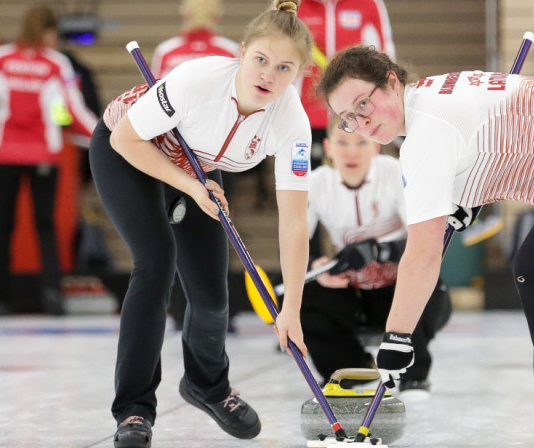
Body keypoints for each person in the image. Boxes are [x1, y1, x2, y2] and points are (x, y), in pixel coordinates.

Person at [316, 46, 534, 448]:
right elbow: (489, 143)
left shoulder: (425, 131)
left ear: (391, 82)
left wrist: (397, 337)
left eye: (364, 103)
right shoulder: (431, 95)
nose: (361, 121)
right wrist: (465, 197)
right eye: (348, 118)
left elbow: (423, 253)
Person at [88, 1, 313, 447]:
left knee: (211, 297)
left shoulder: (292, 123)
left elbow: (294, 220)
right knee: (156, 262)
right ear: (242, 52)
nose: (268, 74)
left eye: (284, 67)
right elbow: (125, 138)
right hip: (130, 150)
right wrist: (191, 186)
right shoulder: (199, 79)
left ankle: (206, 386)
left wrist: (292, 309)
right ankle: (134, 410)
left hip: (198, 169)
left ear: (299, 75)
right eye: (261, 60)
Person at [301, 115, 451, 398]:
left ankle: (413, 376)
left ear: (376, 147)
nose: (351, 151)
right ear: (328, 147)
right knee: (301, 294)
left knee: (416, 284)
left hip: (398, 283)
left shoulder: (395, 172)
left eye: (361, 141)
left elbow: (425, 240)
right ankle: (353, 371)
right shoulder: (316, 182)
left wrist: (379, 251)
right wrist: (315, 266)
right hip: (353, 290)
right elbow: (297, 240)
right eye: (342, 142)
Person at [0, 5, 98, 316]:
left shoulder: (1, 58)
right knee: (46, 227)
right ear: (48, 32)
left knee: (3, 226)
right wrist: (107, 137)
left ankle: (0, 300)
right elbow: (75, 112)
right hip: (44, 157)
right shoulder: (57, 64)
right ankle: (52, 296)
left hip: (5, 155)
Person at [150, 0, 242, 333]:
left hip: (174, 155)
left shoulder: (167, 51)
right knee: (218, 229)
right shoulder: (229, 49)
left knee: (176, 228)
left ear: (184, 12)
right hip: (215, 155)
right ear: (218, 14)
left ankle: (178, 309)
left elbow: (154, 102)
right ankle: (219, 312)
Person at [296, 0, 395, 170]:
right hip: (305, 120)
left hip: (357, 119)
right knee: (305, 186)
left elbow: (385, 61)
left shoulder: (369, 3)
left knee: (359, 188)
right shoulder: (292, 4)